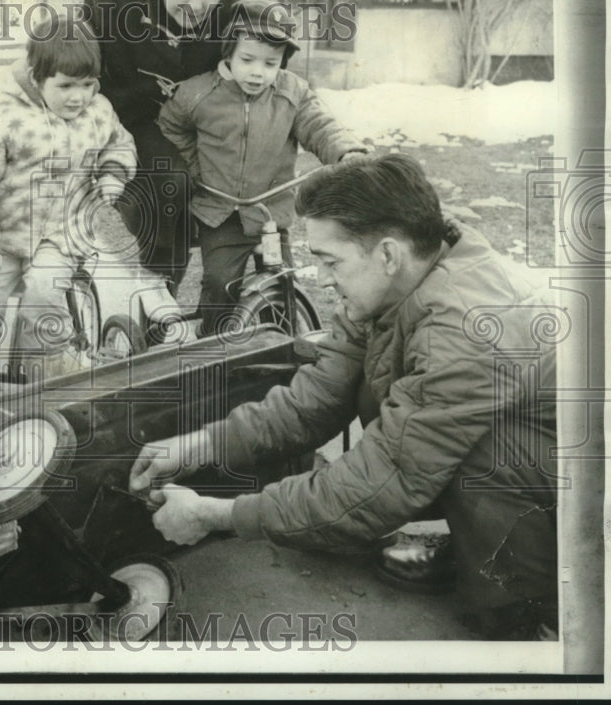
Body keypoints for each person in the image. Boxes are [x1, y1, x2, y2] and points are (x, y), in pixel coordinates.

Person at [128, 154, 559, 639]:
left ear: (389, 254)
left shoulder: (464, 331)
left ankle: (533, 611)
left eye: (331, 261)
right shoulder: (402, 275)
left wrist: (218, 515)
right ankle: (477, 551)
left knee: (487, 451)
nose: (323, 278)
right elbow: (316, 397)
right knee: (440, 438)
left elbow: (385, 480)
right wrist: (200, 445)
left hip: (581, 481)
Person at [157, 0, 367, 336]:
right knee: (221, 282)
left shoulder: (292, 92)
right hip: (221, 212)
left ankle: (282, 342)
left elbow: (320, 125)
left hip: (270, 211)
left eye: (271, 63)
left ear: (283, 61)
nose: (258, 72)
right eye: (248, 59)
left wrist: (345, 153)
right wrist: (191, 168)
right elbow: (170, 126)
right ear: (228, 52)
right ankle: (212, 344)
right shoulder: (198, 93)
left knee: (282, 280)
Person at [84, 0, 249, 302]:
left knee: (185, 184)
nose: (196, 4)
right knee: (161, 188)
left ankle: (163, 296)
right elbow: (73, 65)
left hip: (184, 127)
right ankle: (141, 296)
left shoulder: (231, 12)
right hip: (120, 119)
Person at [0, 15, 137, 373]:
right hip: (5, 235)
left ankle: (49, 383)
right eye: (66, 86)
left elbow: (121, 144)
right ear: (38, 77)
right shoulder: (4, 115)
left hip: (63, 234)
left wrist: (113, 172)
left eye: (88, 85)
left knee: (42, 296)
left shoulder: (99, 112)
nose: (79, 97)